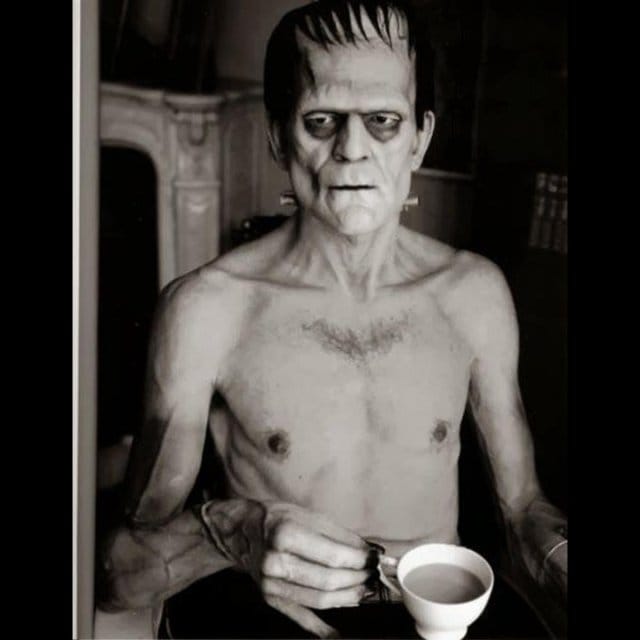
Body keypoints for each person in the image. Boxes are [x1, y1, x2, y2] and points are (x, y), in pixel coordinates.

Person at [97, 1, 567, 637]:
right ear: (277, 136)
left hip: (435, 620)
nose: (352, 150)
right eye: (321, 121)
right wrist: (235, 533)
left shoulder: (473, 294)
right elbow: (121, 574)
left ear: (420, 138)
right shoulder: (207, 309)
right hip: (275, 618)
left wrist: (557, 555)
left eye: (382, 121)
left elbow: (522, 511)